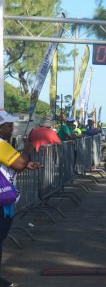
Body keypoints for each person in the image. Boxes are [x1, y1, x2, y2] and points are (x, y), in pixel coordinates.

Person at [0, 110, 40, 287]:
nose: (12, 129)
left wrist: (24, 163)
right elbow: (19, 164)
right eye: (9, 126)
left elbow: (13, 165)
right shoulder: (1, 145)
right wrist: (27, 149)